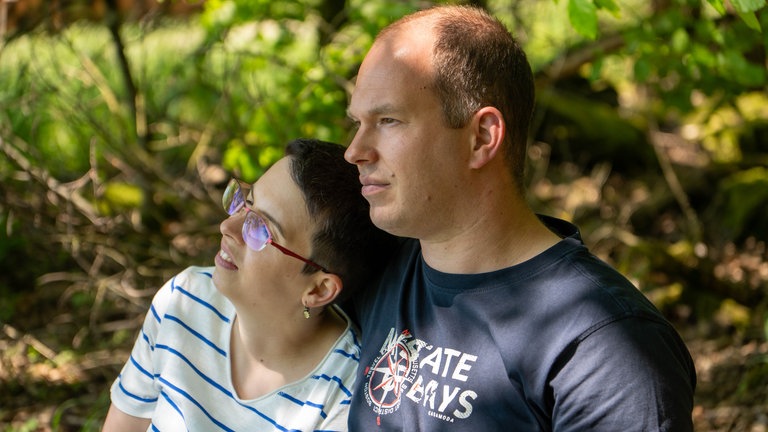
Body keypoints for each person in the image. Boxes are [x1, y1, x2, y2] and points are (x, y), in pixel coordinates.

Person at [343, 5, 696, 431]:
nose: (355, 151)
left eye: (388, 120)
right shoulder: (376, 271)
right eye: (357, 123)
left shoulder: (604, 347)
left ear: (482, 137)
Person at [102, 138, 398, 431]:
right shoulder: (184, 300)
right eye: (247, 202)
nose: (227, 227)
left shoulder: (345, 396)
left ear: (318, 290)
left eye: (261, 229)